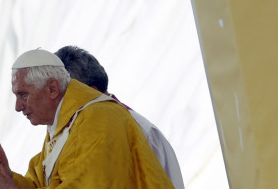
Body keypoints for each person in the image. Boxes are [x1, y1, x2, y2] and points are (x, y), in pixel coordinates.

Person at [0, 48, 174, 188]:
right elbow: (41, 184)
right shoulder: (65, 126)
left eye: (23, 95)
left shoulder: (99, 121)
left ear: (52, 89)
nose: (18, 107)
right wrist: (6, 175)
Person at [54, 45, 185, 189]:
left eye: (65, 100)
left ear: (91, 92)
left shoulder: (139, 130)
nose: (61, 110)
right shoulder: (71, 136)